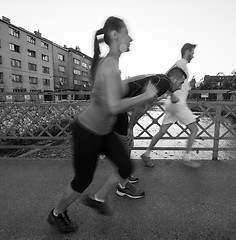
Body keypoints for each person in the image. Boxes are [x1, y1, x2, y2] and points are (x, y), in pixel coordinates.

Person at [47, 16, 158, 234]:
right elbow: (114, 106)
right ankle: (56, 213)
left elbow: (119, 93)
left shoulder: (113, 64)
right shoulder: (108, 65)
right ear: (115, 35)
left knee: (125, 165)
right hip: (87, 132)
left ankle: (97, 198)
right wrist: (146, 94)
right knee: (82, 180)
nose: (131, 38)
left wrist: (143, 87)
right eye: (127, 33)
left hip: (104, 131)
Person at [113, 68, 187, 198]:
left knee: (126, 144)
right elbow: (141, 105)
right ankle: (122, 186)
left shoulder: (162, 79)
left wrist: (172, 94)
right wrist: (130, 127)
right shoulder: (163, 84)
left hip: (117, 102)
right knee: (127, 144)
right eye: (181, 83)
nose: (180, 87)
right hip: (115, 105)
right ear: (174, 79)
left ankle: (124, 175)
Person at [141, 43, 201, 168]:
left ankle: (146, 154)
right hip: (177, 103)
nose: (193, 56)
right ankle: (187, 158)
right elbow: (164, 80)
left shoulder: (181, 66)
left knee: (162, 131)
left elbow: (179, 85)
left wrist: (190, 85)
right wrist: (172, 94)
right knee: (194, 129)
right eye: (192, 53)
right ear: (187, 52)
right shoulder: (180, 64)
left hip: (171, 103)